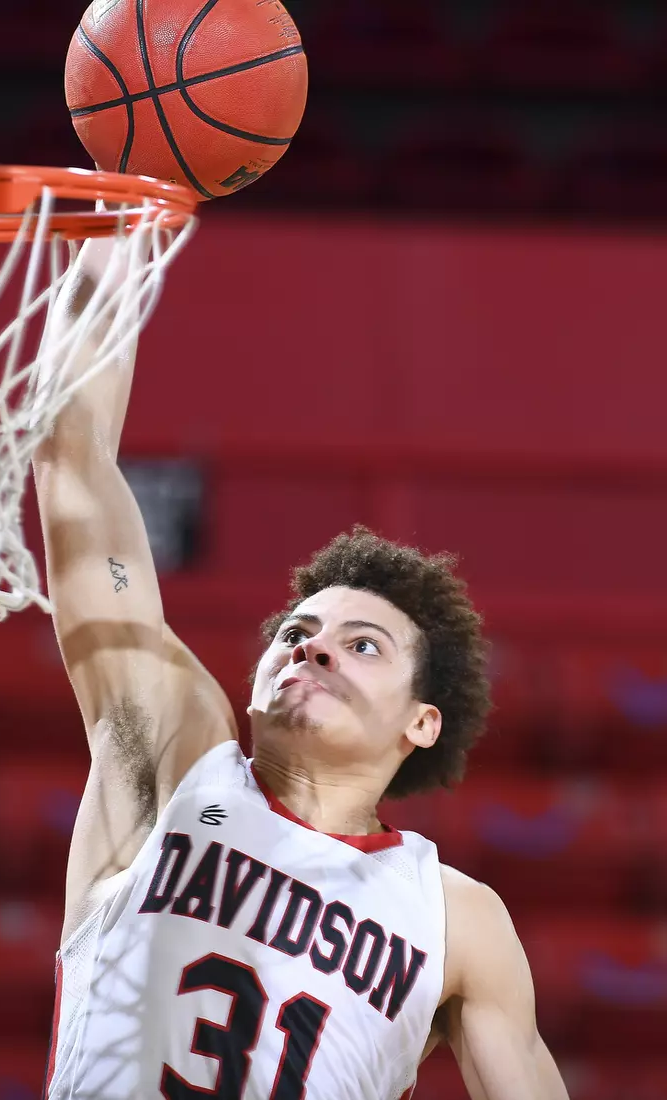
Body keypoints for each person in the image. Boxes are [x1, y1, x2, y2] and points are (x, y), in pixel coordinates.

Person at [31, 236, 568, 1100]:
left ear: (419, 721)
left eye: (364, 644)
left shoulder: (457, 920)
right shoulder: (177, 758)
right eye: (297, 630)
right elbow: (75, 469)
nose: (311, 645)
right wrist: (113, 243)